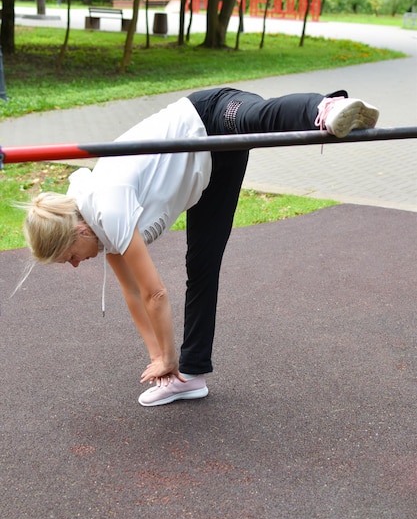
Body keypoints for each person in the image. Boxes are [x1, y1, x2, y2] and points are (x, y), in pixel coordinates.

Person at [21, 87, 379, 407]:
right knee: (202, 266)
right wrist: (159, 356)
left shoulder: (107, 206)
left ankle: (328, 108)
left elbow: (154, 295)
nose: (74, 265)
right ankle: (189, 377)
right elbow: (131, 293)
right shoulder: (98, 228)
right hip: (209, 174)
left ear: (78, 231)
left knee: (257, 118)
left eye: (68, 257)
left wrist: (166, 355)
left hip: (208, 118)